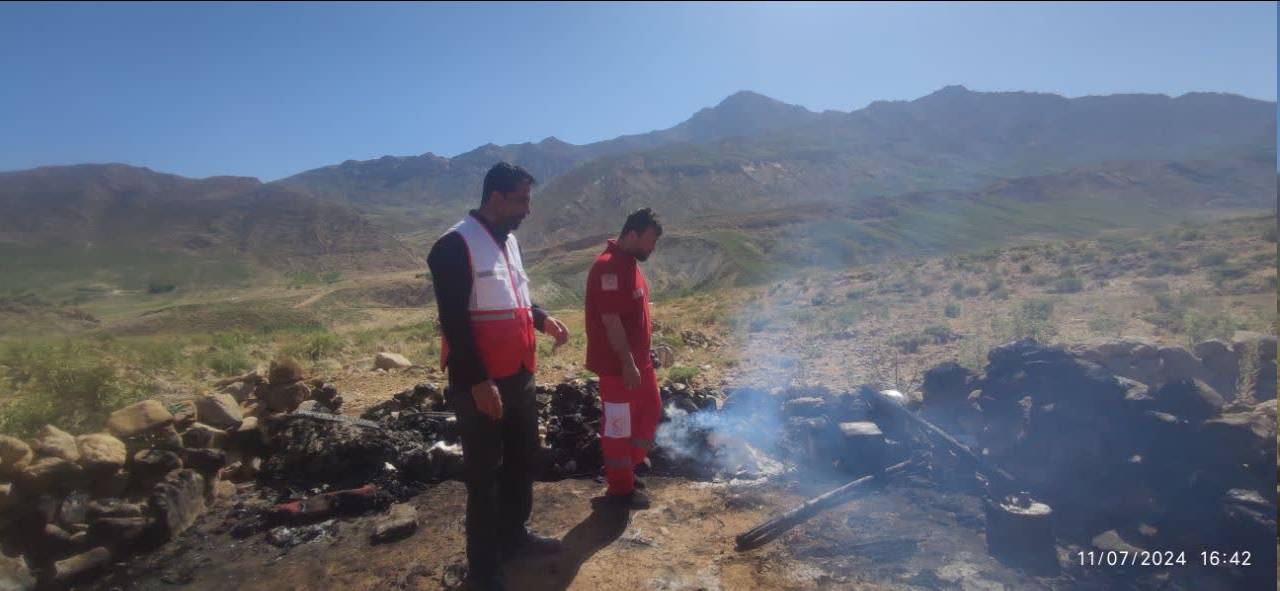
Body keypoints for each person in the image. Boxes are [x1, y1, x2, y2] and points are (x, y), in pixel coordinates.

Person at [426, 161, 570, 590]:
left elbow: (514, 295)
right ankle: (484, 569)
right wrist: (477, 381)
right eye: (521, 200)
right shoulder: (454, 245)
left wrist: (541, 318)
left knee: (523, 459)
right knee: (485, 475)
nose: (527, 210)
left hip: (520, 374)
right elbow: (453, 320)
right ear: (496, 198)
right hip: (482, 382)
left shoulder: (508, 242)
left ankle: (514, 537)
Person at [583, 207, 663, 509]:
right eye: (650, 241)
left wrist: (645, 354)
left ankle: (627, 469)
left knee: (651, 409)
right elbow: (611, 320)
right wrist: (628, 363)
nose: (652, 249)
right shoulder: (608, 266)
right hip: (619, 369)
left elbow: (634, 318)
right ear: (632, 234)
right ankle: (619, 490)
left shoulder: (630, 264)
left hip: (639, 364)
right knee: (618, 427)